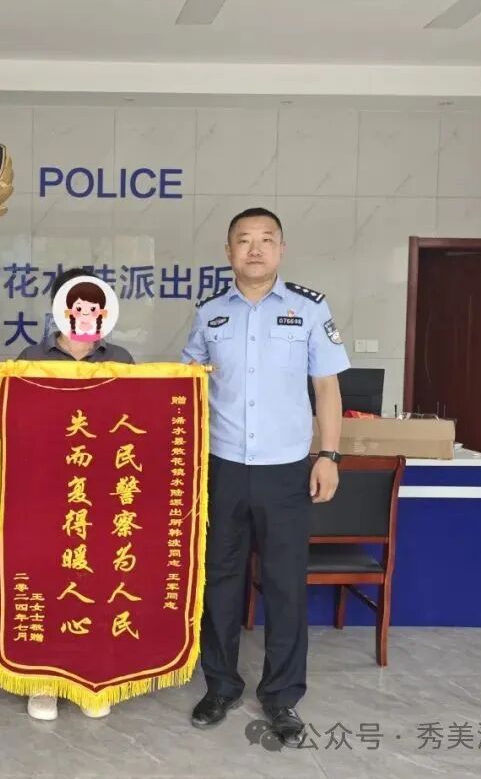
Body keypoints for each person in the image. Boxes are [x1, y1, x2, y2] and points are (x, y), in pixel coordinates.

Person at [180, 207, 349, 747]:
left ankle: (281, 697)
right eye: (244, 240)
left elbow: (327, 387)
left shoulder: (309, 308)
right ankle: (221, 685)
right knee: (220, 582)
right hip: (223, 467)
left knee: (284, 587)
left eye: (266, 240)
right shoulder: (210, 313)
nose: (255, 249)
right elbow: (188, 385)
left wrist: (329, 455)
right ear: (228, 252)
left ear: (281, 249)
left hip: (285, 471)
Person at [17, 267, 134, 720]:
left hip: (102, 495)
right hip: (46, 494)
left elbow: (137, 424)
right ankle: (44, 682)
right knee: (50, 582)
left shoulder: (121, 358)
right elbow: (13, 424)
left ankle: (92, 677)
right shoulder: (31, 357)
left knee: (99, 584)